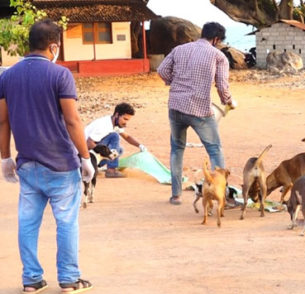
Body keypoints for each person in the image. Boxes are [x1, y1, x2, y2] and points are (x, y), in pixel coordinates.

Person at [0, 19, 94, 294]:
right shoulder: (60, 75)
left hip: (27, 163)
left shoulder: (7, 76)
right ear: (53, 45)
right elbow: (72, 121)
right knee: (66, 221)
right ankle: (69, 278)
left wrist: (5, 157)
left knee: (27, 222)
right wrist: (86, 158)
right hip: (61, 164)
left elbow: (2, 122)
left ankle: (31, 280)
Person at [157, 22, 236, 205]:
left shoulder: (179, 49)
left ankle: (176, 195)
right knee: (215, 150)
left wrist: (173, 83)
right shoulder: (218, 56)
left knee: (177, 149)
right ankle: (221, 193)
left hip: (175, 106)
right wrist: (229, 102)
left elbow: (161, 70)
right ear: (216, 39)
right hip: (200, 109)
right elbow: (222, 87)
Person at [84, 102, 147, 178]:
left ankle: (95, 166)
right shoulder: (104, 125)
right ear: (117, 115)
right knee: (114, 136)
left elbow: (127, 137)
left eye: (128, 120)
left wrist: (140, 145)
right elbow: (89, 143)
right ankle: (111, 170)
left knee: (119, 150)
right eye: (125, 119)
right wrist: (106, 153)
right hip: (83, 155)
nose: (126, 123)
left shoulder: (114, 123)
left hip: (90, 155)